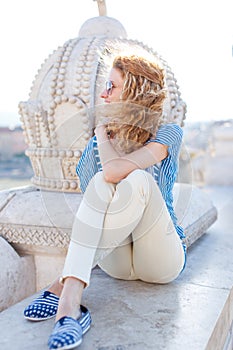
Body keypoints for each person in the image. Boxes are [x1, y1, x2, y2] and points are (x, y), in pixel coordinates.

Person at [23, 54, 186, 350]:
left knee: (137, 179)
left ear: (135, 91)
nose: (103, 94)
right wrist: (104, 136)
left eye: (111, 86)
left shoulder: (168, 133)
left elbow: (113, 171)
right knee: (103, 182)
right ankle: (71, 305)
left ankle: (64, 293)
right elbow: (97, 203)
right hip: (117, 261)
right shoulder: (101, 142)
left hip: (161, 260)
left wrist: (99, 131)